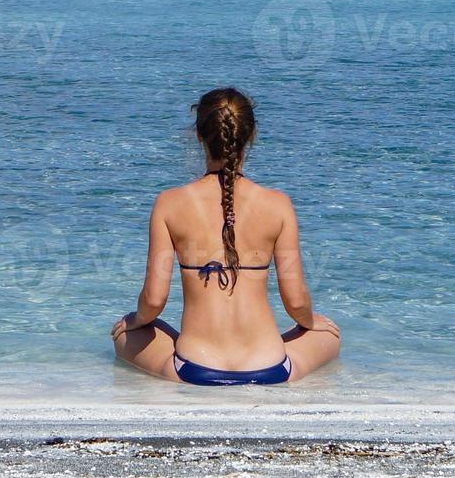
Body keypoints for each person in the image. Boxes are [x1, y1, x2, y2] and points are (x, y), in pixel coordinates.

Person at [110, 88, 341, 385]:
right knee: (330, 336)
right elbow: (296, 303)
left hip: (194, 368)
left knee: (126, 333)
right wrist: (311, 323)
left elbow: (154, 301)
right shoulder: (278, 205)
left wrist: (136, 321)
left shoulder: (169, 203)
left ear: (199, 136)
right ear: (251, 135)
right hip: (270, 367)